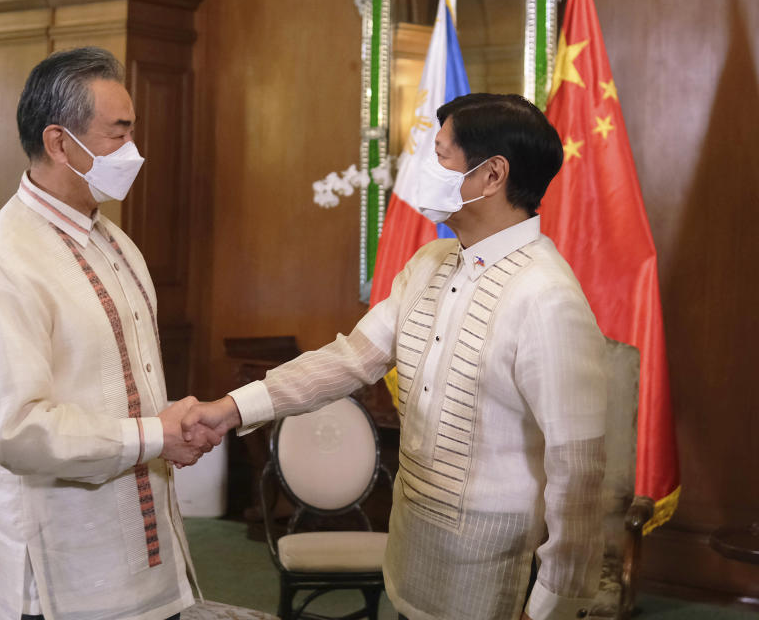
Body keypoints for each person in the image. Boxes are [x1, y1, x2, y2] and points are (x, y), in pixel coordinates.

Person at [184, 93, 608, 620]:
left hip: (496, 574)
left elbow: (580, 468)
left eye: (442, 154)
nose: (425, 170)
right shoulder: (430, 262)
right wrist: (229, 408)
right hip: (414, 552)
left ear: (492, 175)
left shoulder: (547, 296)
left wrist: (554, 605)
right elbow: (347, 361)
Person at [0, 47, 220, 620]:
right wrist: (153, 435)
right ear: (59, 142)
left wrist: (172, 424)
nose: (133, 152)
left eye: (132, 132)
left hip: (141, 556)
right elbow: (18, 431)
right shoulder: (2, 264)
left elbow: (121, 389)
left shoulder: (117, 243)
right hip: (57, 575)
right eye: (117, 135)